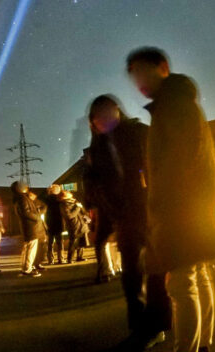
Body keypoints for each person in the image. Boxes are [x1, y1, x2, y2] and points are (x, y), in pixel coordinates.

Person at [127, 47, 215, 352]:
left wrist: (161, 210)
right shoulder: (179, 102)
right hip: (194, 205)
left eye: (142, 71)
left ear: (163, 68)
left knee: (181, 284)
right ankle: (203, 343)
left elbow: (178, 162)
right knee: (199, 275)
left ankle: (188, 348)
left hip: (180, 209)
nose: (138, 81)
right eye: (133, 75)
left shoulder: (173, 105)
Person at [83, 94, 162, 343]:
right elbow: (92, 183)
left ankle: (157, 324)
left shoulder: (139, 133)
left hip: (149, 210)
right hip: (123, 215)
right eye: (97, 118)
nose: (102, 121)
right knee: (131, 275)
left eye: (106, 114)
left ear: (117, 111)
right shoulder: (97, 148)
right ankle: (140, 326)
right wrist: (107, 206)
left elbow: (158, 165)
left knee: (156, 269)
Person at [11, 181, 43, 277]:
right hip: (30, 227)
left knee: (28, 248)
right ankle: (27, 270)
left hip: (29, 227)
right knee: (30, 249)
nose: (27, 187)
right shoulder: (22, 199)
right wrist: (38, 217)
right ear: (21, 188)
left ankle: (25, 268)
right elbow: (26, 212)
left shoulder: (20, 198)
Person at [59, 190, 89, 263]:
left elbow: (83, 212)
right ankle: (70, 259)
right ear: (65, 196)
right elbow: (69, 216)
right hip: (74, 225)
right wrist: (77, 207)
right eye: (68, 193)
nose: (70, 194)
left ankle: (79, 257)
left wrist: (81, 207)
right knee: (73, 243)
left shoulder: (73, 202)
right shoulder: (64, 205)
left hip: (81, 224)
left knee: (81, 242)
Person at [42, 183, 66, 265]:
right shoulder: (60, 200)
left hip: (49, 223)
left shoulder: (46, 199)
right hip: (58, 223)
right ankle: (61, 259)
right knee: (60, 242)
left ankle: (50, 260)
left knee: (50, 243)